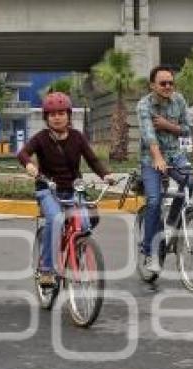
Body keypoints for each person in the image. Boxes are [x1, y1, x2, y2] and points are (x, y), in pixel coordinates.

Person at [18, 92, 118, 287]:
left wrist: (106, 175)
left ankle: (76, 251)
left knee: (87, 223)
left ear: (69, 115)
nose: (57, 117)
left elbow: (93, 160)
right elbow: (23, 153)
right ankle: (47, 270)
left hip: (73, 189)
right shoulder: (40, 138)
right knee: (55, 219)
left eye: (61, 113)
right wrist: (30, 166)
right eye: (52, 114)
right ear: (46, 118)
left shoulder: (77, 137)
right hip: (48, 190)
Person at [136, 65, 193, 274]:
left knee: (190, 180)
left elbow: (187, 129)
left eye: (171, 82)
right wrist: (158, 159)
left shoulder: (179, 100)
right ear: (152, 85)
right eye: (163, 83)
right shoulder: (144, 105)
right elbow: (149, 135)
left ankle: (171, 223)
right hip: (151, 158)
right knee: (153, 201)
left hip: (175, 154)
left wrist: (167, 125)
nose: (168, 86)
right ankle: (150, 252)